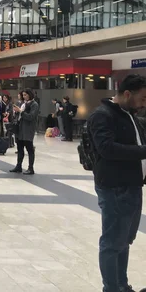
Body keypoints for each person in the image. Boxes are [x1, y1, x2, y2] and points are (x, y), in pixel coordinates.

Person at [87, 75, 146, 292]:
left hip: (132, 186)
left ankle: (122, 286)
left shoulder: (129, 114)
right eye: (142, 98)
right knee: (112, 242)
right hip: (114, 187)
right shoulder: (102, 115)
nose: (144, 103)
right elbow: (107, 149)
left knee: (124, 241)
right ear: (127, 94)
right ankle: (111, 288)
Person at [10, 89, 39, 175]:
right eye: (23, 95)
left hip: (28, 129)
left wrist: (21, 112)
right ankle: (18, 166)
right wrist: (16, 112)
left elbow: (31, 117)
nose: (24, 96)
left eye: (26, 95)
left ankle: (31, 168)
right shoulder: (23, 104)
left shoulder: (34, 105)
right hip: (20, 128)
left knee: (29, 149)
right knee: (19, 148)